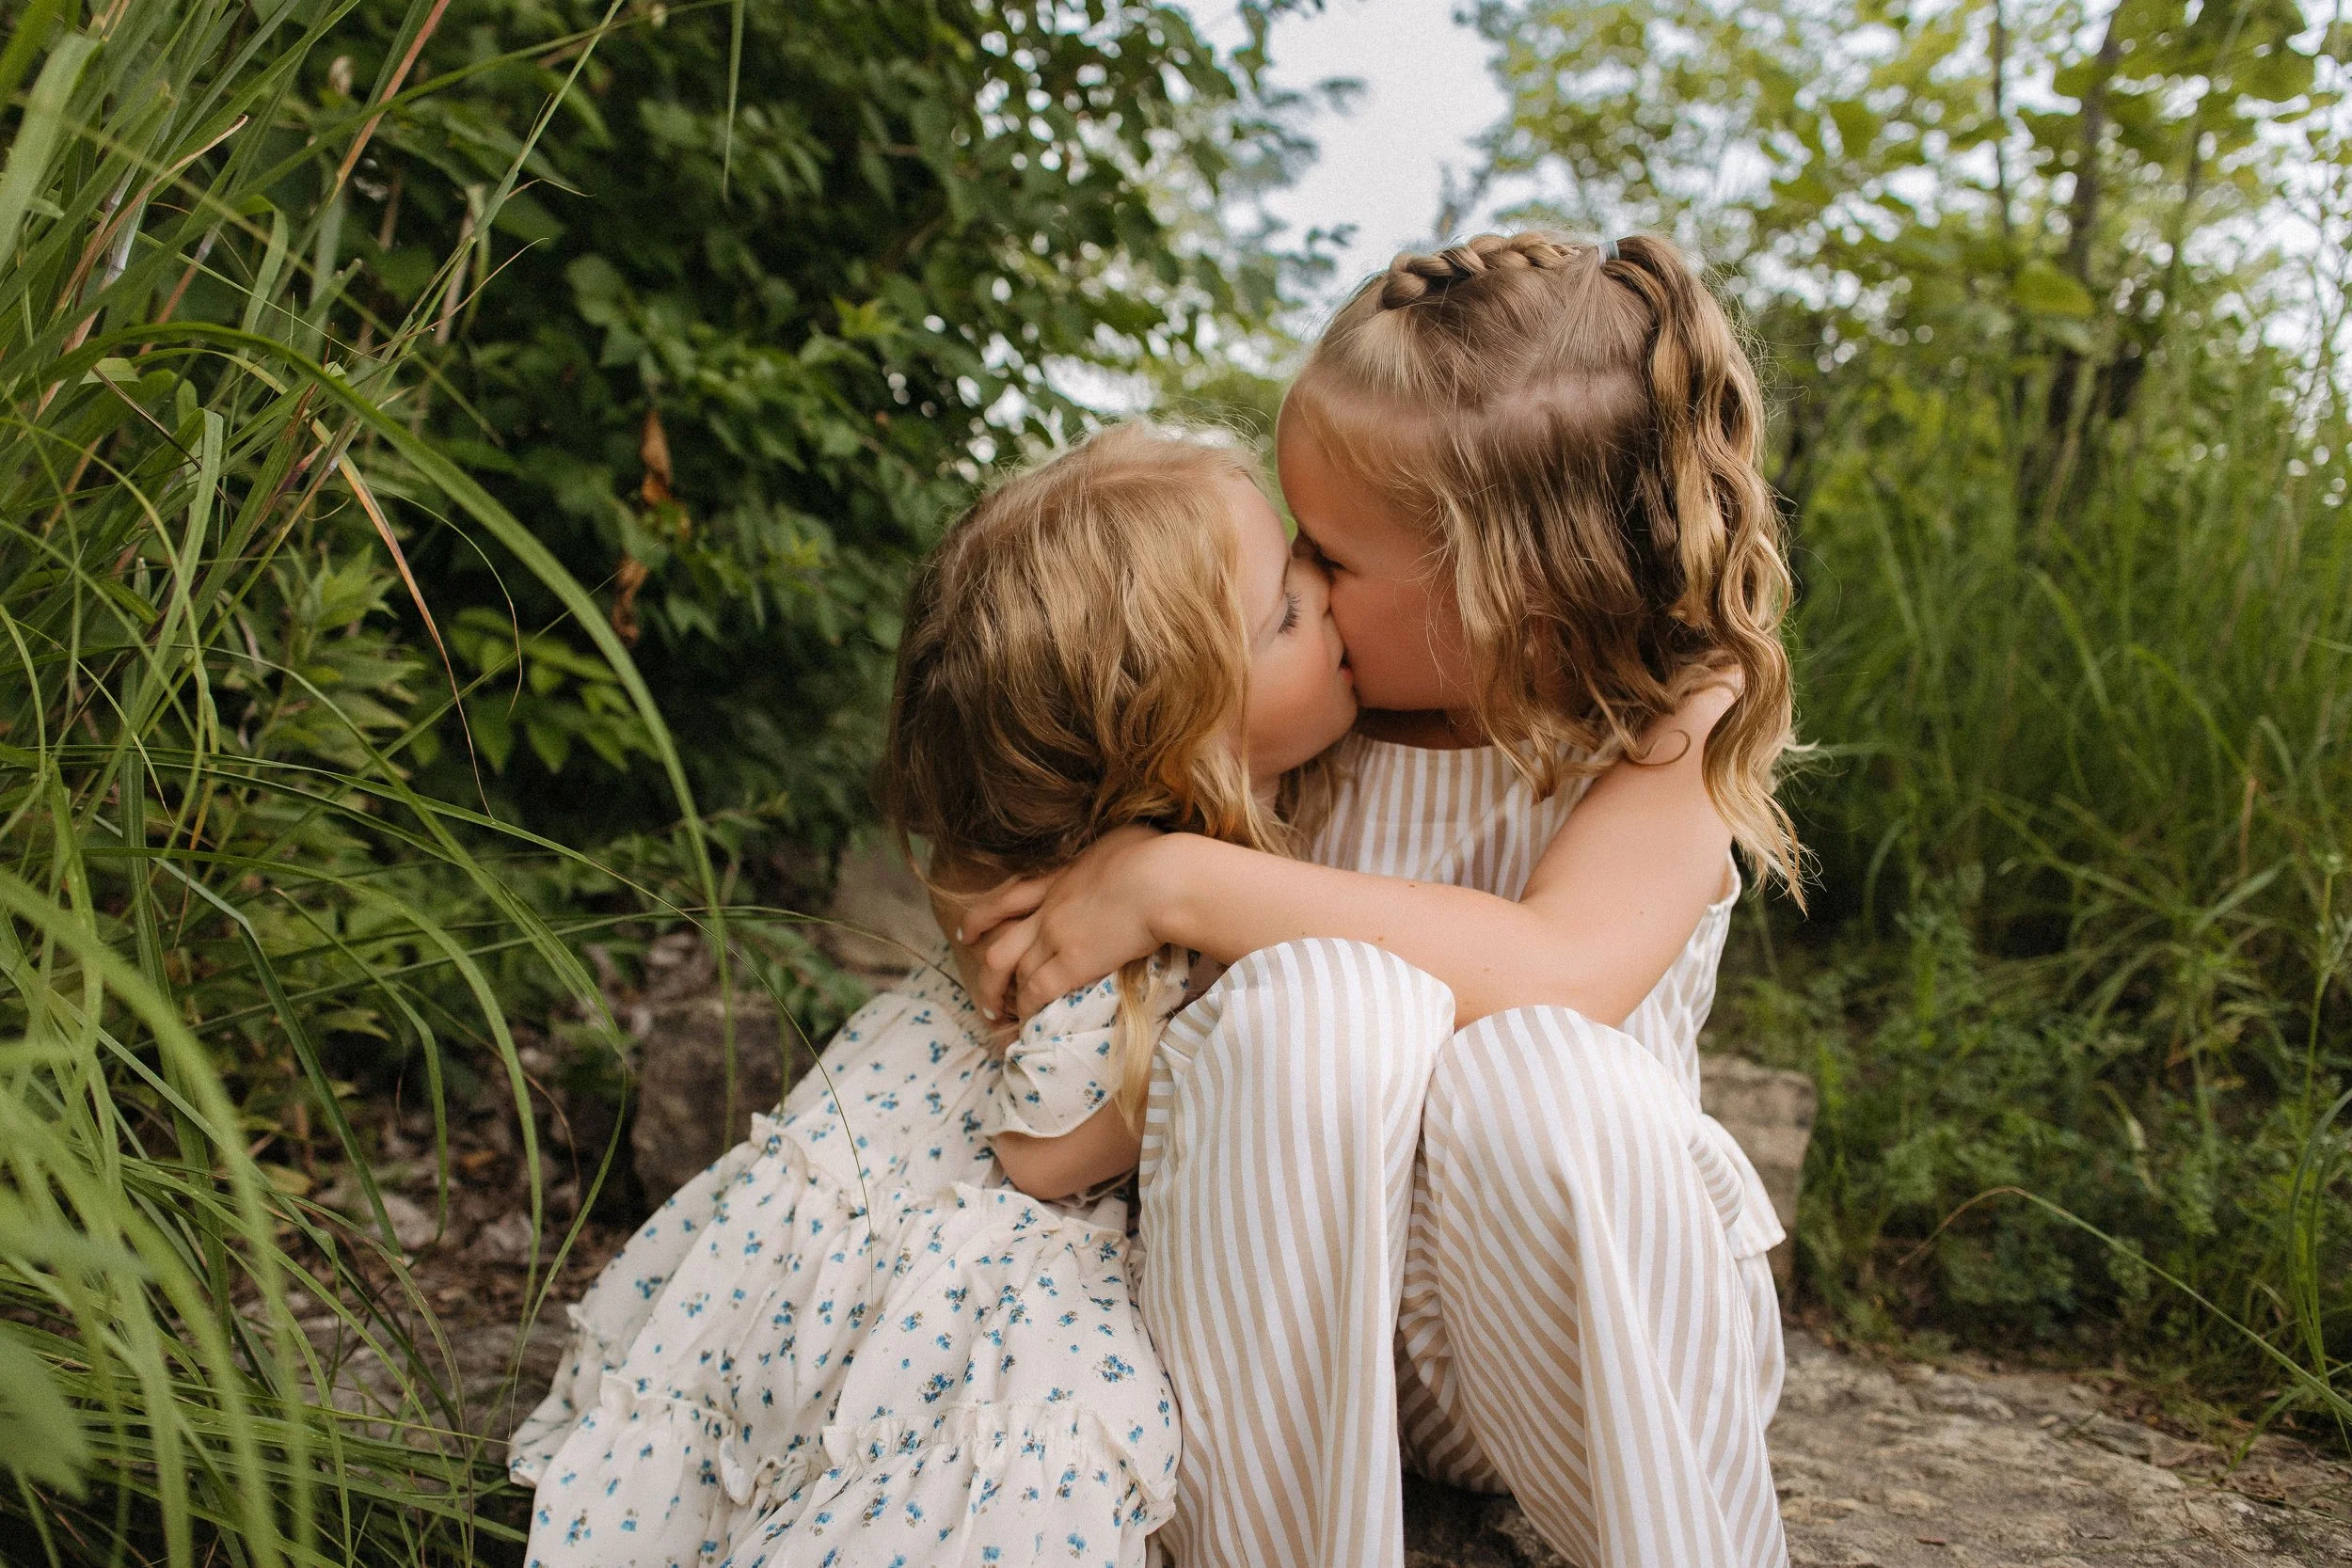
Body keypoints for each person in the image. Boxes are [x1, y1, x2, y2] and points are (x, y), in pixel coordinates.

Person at [960, 231, 1802, 1568]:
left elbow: (1561, 966)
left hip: (1571, 1336)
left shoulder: (1665, 720)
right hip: (1300, 1333)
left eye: (1333, 553)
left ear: (1510, 589)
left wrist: (1175, 875)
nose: (1295, 575)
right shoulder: (1306, 717)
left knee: (1543, 1068)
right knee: (1316, 1002)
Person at [508, 422, 1359, 1568]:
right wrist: (1220, 1092)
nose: (1324, 585)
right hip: (935, 1246)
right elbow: (1044, 1147)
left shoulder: (1129, 859)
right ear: (1181, 737)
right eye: (1288, 615)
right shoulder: (1109, 907)